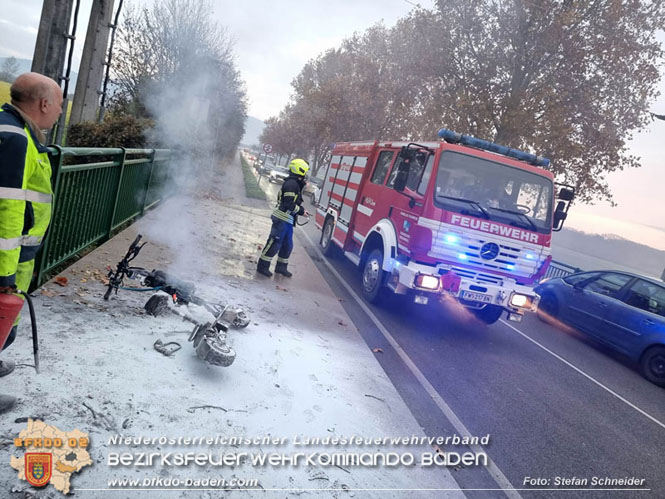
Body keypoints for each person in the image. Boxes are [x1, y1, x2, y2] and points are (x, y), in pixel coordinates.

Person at [0, 73, 62, 414]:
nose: (60, 113)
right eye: (59, 105)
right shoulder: (17, 139)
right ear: (43, 104)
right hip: (7, 258)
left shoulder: (14, 129)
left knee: (3, 326)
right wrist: (4, 275)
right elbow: (7, 207)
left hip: (15, 254)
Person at [257, 158, 310, 278]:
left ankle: (281, 268)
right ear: (300, 170)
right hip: (281, 219)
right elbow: (288, 203)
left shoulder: (295, 183)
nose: (306, 175)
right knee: (274, 243)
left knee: (287, 245)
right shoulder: (291, 184)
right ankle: (262, 266)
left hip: (287, 220)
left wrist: (301, 211)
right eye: (305, 172)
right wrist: (301, 211)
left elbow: (292, 202)